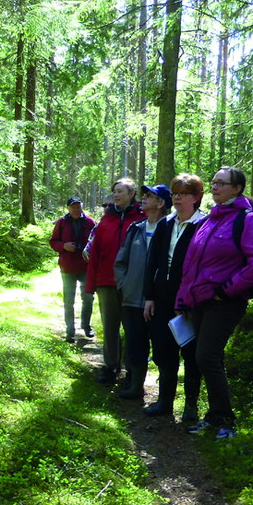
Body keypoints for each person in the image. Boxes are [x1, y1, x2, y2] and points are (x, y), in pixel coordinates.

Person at [175, 166, 253, 439]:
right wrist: (183, 299)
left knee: (206, 355)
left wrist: (226, 290)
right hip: (199, 303)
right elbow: (191, 265)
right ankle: (214, 416)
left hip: (224, 303)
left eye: (222, 183)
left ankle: (227, 421)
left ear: (237, 188)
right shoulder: (209, 221)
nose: (215, 187)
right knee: (209, 357)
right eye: (214, 183)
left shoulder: (248, 219)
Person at [142, 174, 206, 419]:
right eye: (175, 193)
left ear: (196, 198)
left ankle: (191, 407)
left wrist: (192, 299)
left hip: (191, 301)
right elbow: (153, 263)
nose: (178, 197)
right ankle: (164, 402)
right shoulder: (165, 224)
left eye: (184, 193)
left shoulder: (204, 225)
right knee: (162, 350)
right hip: (162, 298)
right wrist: (149, 296)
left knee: (191, 354)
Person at [114, 183, 172, 399]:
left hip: (159, 301)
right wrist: (124, 284)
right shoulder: (136, 228)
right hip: (131, 299)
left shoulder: (170, 229)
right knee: (135, 342)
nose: (144, 198)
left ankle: (165, 397)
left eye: (150, 196)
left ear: (161, 203)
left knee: (161, 346)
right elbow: (121, 261)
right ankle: (136, 386)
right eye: (144, 195)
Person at [85, 178, 146, 384]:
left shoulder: (142, 218)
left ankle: (132, 371)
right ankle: (111, 366)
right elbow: (95, 254)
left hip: (133, 283)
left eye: (120, 191)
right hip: (106, 281)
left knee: (132, 328)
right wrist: (91, 283)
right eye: (114, 192)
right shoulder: (106, 221)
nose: (116, 195)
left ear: (132, 194)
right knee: (110, 326)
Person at [49, 196, 96, 342]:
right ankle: (70, 330)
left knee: (88, 298)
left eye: (78, 206)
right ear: (68, 208)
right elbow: (53, 241)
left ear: (82, 207)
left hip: (85, 266)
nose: (76, 209)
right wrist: (64, 246)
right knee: (68, 300)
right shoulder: (62, 222)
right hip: (67, 267)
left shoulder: (90, 222)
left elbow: (96, 239)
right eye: (73, 207)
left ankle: (86, 326)